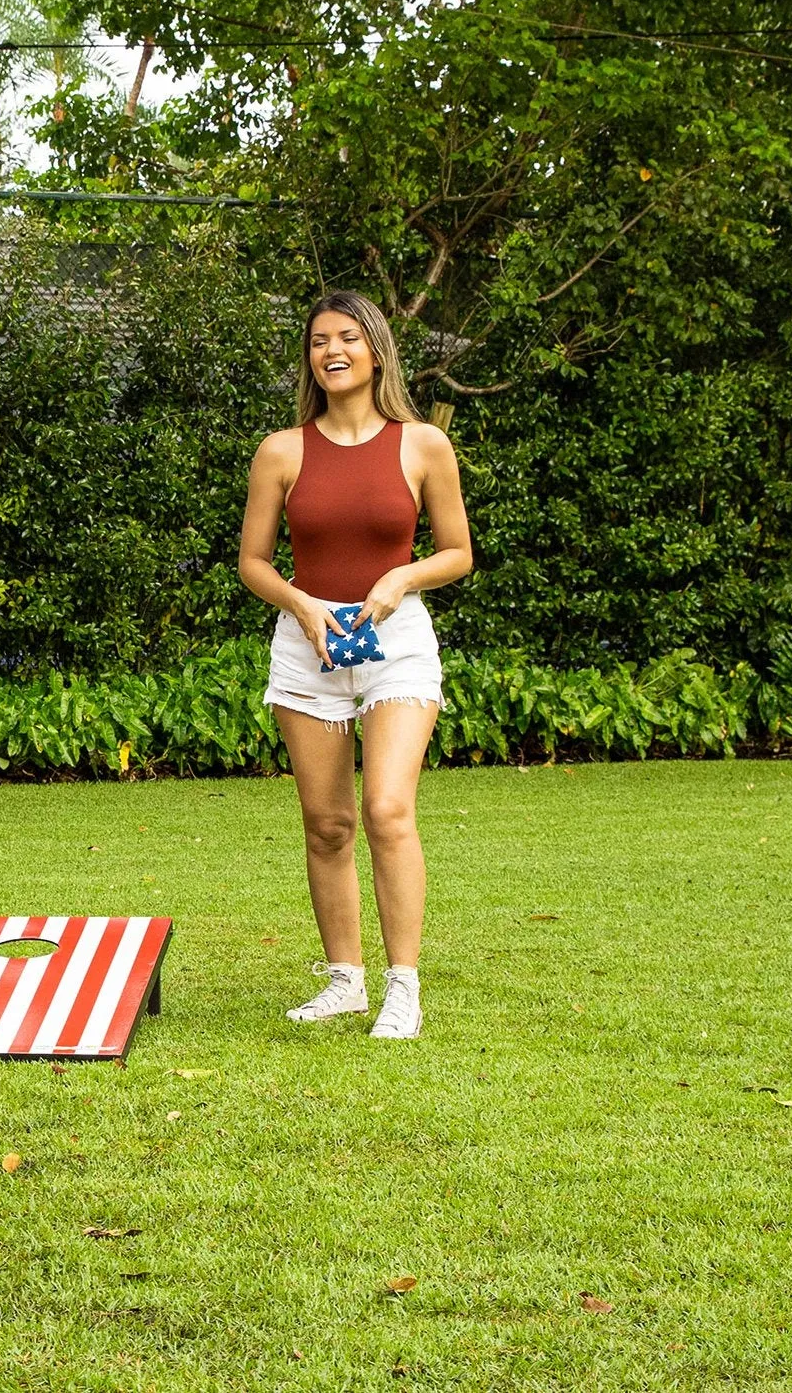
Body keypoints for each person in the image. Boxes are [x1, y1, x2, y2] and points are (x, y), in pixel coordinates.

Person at [238, 290, 471, 1039]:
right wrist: (301, 606)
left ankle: (403, 986)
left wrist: (402, 578)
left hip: (395, 645)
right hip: (307, 650)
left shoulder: (422, 445)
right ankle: (345, 980)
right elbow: (252, 563)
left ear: (375, 350)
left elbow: (458, 552)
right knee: (327, 824)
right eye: (317, 340)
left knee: (387, 810)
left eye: (346, 337)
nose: (330, 350)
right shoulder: (282, 450)